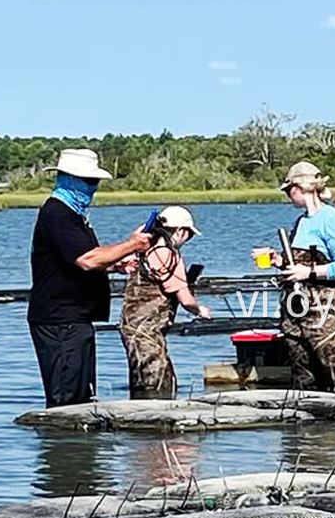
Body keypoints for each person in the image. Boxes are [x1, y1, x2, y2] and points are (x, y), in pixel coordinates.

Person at [28, 148, 153, 408]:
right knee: (66, 399)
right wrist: (131, 245)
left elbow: (76, 261)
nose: (93, 188)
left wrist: (115, 265)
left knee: (82, 396)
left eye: (95, 182)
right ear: (70, 179)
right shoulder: (57, 213)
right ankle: (63, 447)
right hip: (58, 320)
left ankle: (80, 449)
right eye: (89, 181)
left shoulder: (75, 216)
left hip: (76, 318)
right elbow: (87, 259)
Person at [251, 161, 335, 390]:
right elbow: (296, 264)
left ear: (299, 188)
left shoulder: (333, 220)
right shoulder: (301, 222)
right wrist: (278, 261)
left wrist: (308, 272)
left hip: (328, 311)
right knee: (303, 376)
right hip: (296, 310)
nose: (288, 196)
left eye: (289, 190)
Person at [119, 205, 212, 399]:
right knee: (160, 386)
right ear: (179, 232)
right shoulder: (170, 257)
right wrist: (200, 310)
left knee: (140, 383)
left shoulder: (140, 251)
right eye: (189, 235)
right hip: (149, 334)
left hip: (131, 330)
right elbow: (185, 300)